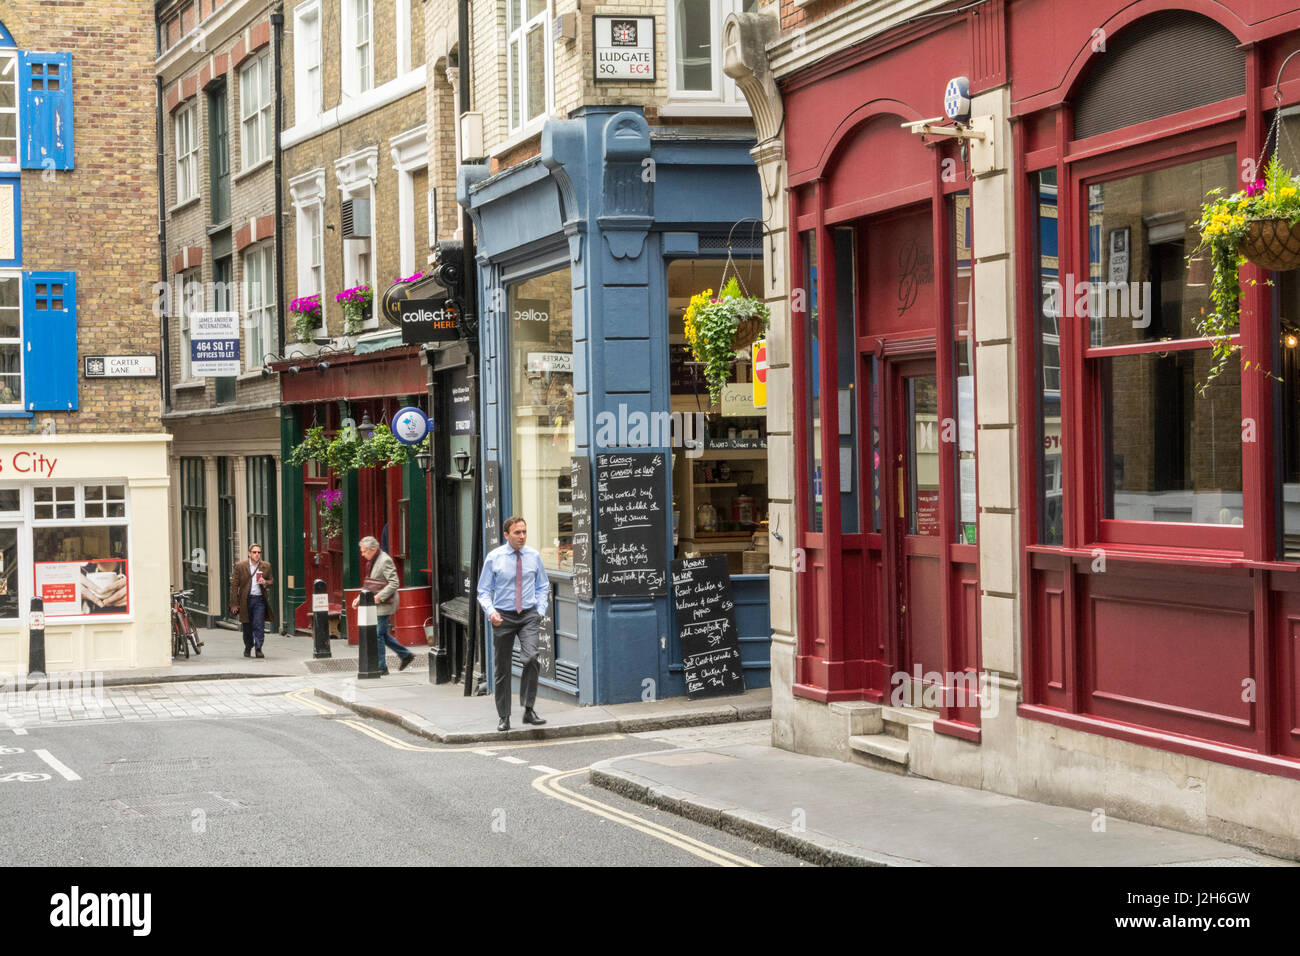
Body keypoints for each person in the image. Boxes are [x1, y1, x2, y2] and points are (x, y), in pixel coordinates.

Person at [476, 516, 549, 732]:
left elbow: (543, 586)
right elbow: (483, 590)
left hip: (528, 615)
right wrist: (491, 612)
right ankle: (504, 716)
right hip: (503, 617)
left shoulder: (534, 556)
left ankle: (528, 709)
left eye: (524, 532)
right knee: (503, 669)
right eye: (517, 533)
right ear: (506, 535)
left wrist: (540, 610)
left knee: (531, 658)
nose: (522, 536)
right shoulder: (494, 558)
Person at [351, 535, 413, 674]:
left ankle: (381, 667)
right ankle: (405, 655)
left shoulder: (385, 560)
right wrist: (359, 598)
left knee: (378, 634)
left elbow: (394, 583)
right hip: (376, 602)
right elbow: (369, 583)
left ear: (372, 549)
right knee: (383, 634)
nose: (362, 554)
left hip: (385, 603)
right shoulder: (371, 561)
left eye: (364, 551)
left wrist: (379, 597)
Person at [229, 544, 274, 658]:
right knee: (247, 626)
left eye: (259, 552)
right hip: (245, 600)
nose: (257, 554)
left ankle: (259, 648)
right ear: (249, 553)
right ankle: (248, 646)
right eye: (254, 552)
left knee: (259, 624)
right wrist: (234, 604)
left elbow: (271, 581)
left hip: (259, 599)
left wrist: (265, 583)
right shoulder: (240, 566)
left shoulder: (266, 566)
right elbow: (234, 585)